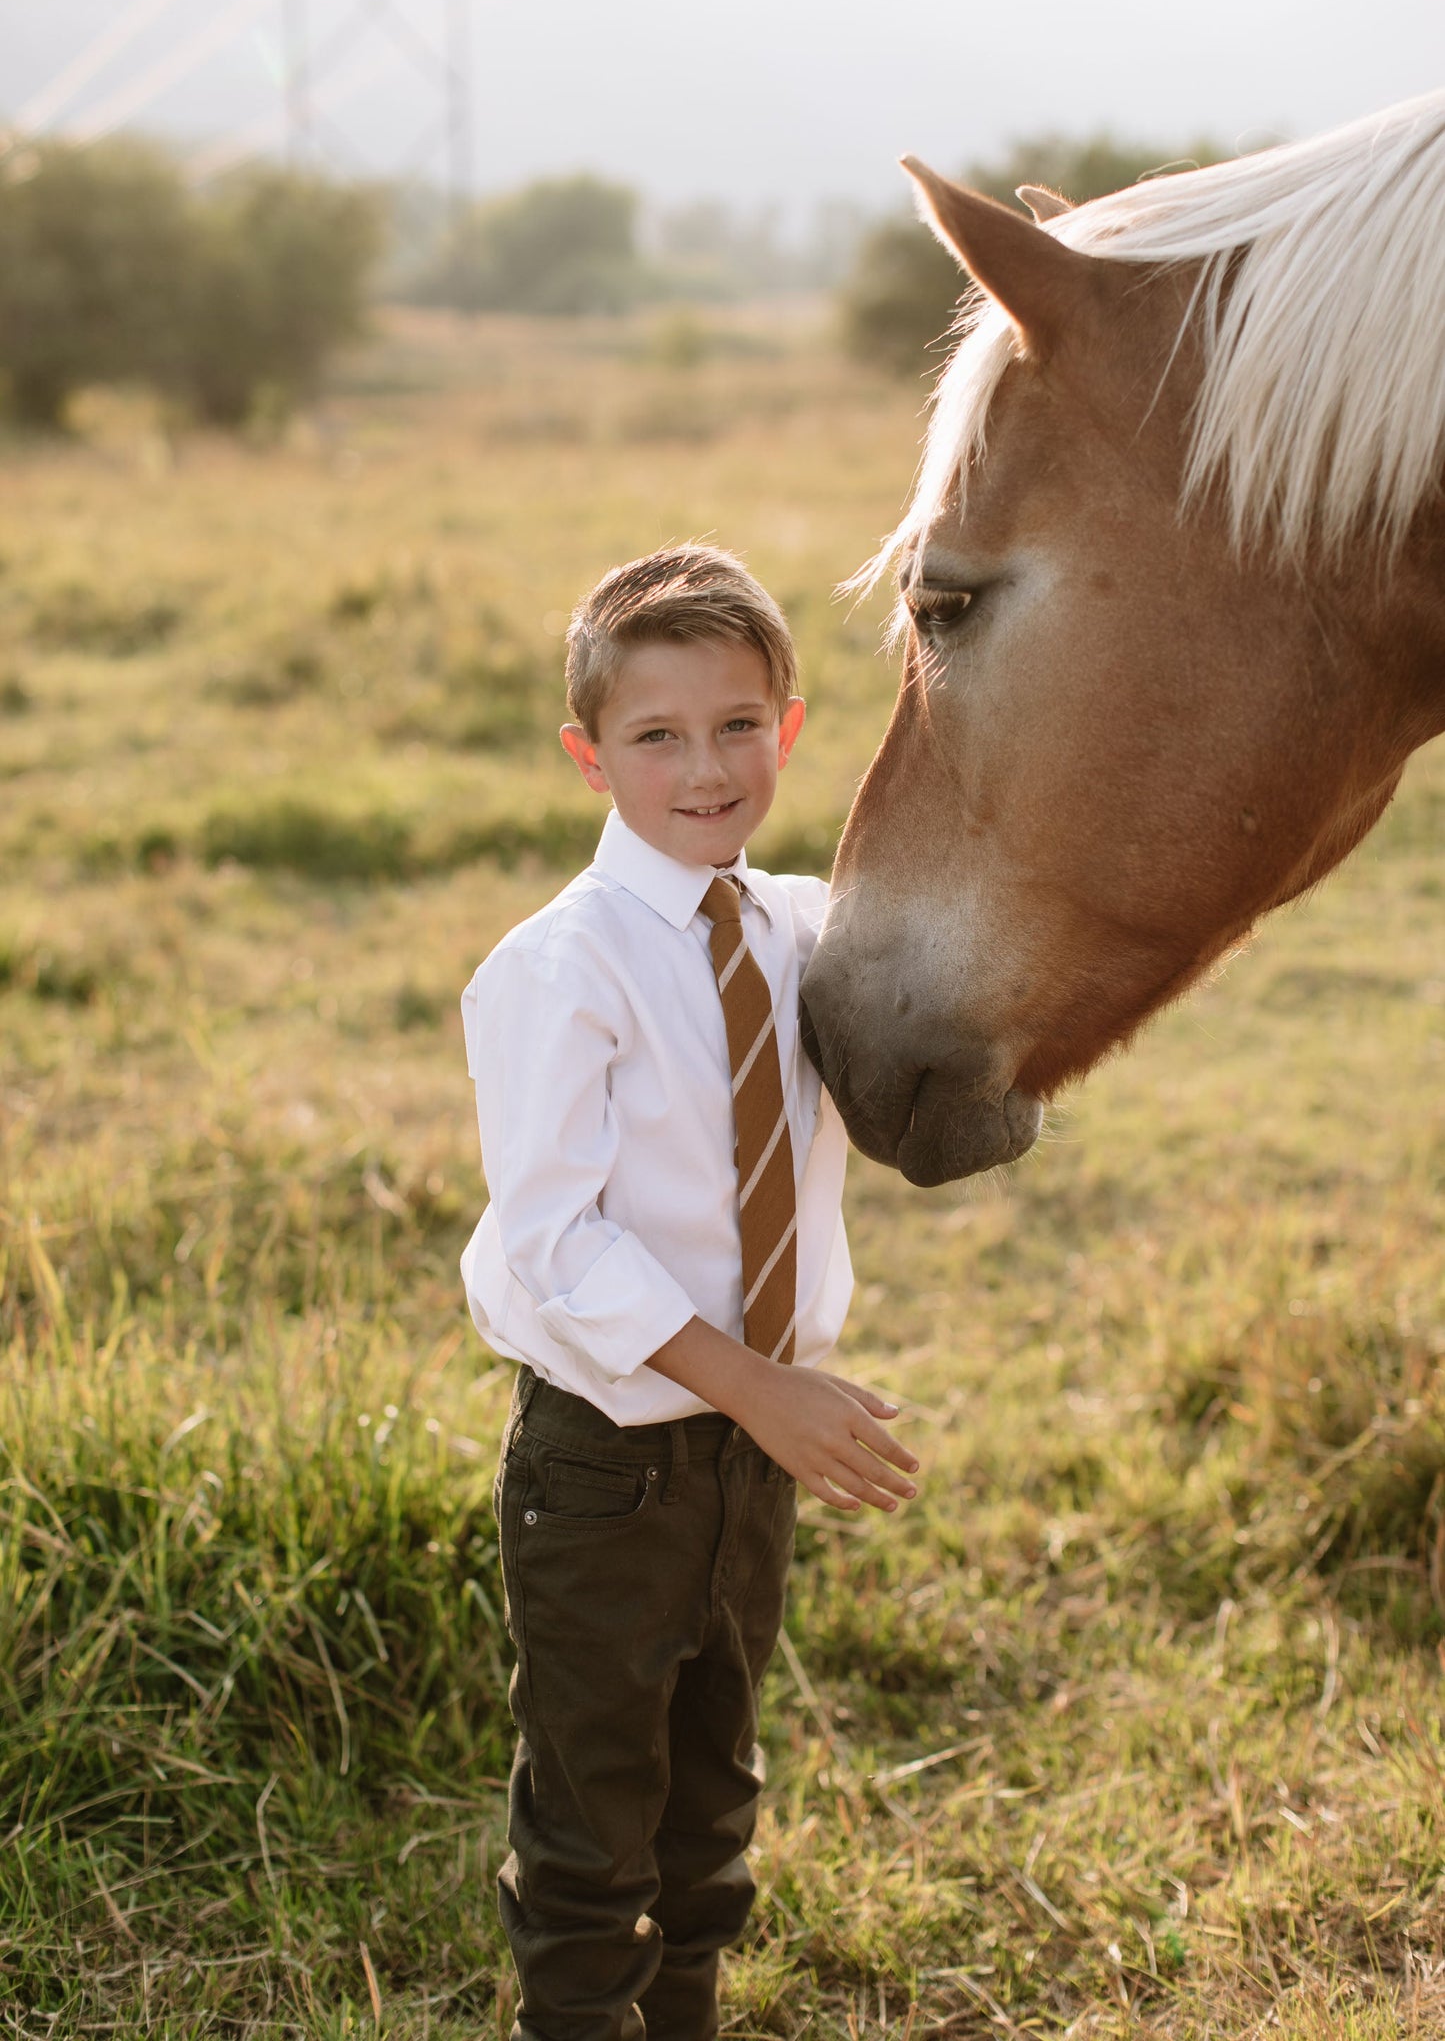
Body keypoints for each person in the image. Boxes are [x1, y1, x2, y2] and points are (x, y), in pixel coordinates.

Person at [459, 544, 919, 2041]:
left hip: (747, 1457)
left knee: (713, 1786)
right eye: (656, 735)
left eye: (735, 725)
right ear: (590, 757)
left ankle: (689, 2019)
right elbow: (557, 1242)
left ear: (786, 730)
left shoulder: (800, 930)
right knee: (595, 1813)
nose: (703, 766)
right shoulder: (556, 970)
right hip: (608, 1467)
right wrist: (762, 1389)